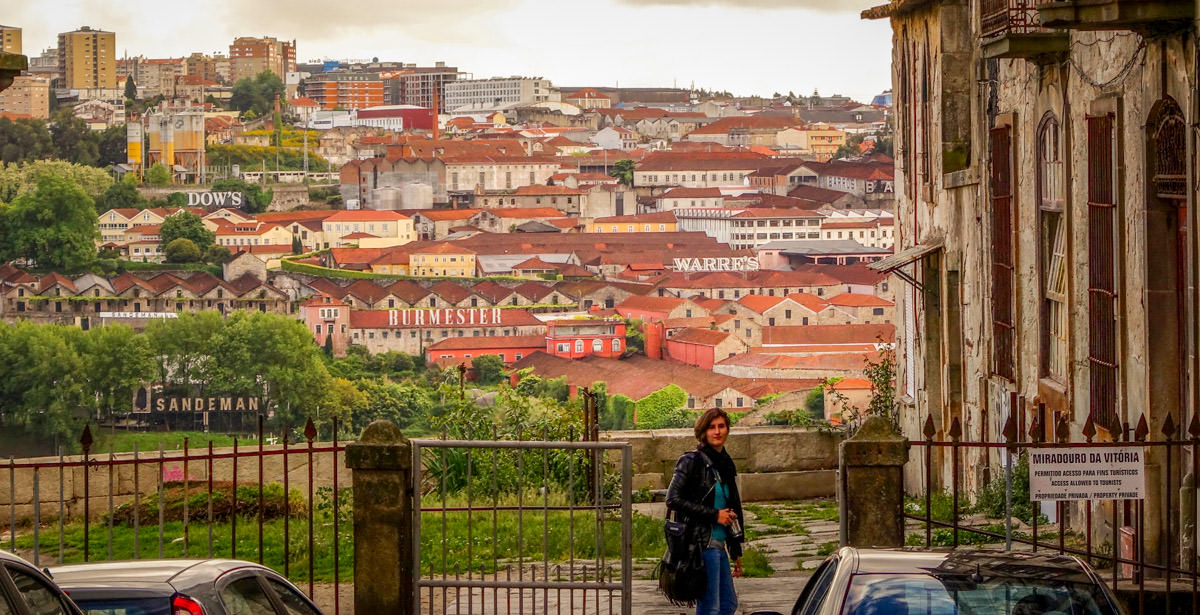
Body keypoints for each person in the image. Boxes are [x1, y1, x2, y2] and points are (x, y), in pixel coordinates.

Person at [665, 408, 744, 615]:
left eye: (721, 426)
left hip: (719, 544)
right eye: (711, 427)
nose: (717, 432)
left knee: (728, 604)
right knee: (711, 608)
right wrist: (714, 515)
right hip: (701, 543)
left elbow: (733, 508)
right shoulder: (692, 461)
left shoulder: (725, 465)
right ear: (703, 432)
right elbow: (672, 498)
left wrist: (735, 549)